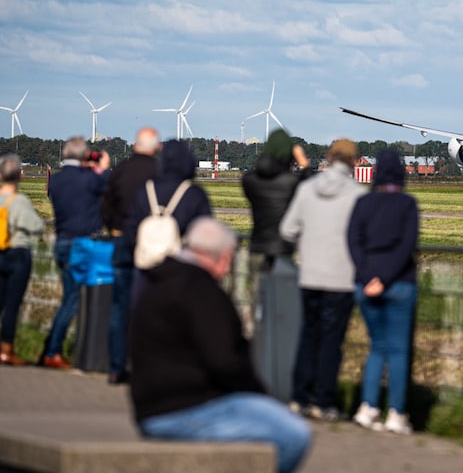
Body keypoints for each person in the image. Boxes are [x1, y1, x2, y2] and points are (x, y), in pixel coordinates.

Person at [129, 217, 310, 473]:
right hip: (188, 406)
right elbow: (224, 360)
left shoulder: (158, 285)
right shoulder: (201, 291)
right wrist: (256, 392)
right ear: (224, 257)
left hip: (151, 406)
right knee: (293, 434)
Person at [279, 138, 366, 420]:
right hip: (341, 279)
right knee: (331, 341)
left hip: (310, 275)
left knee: (308, 336)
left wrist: (307, 244)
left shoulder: (306, 189)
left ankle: (299, 397)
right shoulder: (357, 194)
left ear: (328, 158)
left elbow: (287, 229)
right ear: (354, 162)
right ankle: (323, 401)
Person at [348, 149, 420, 435]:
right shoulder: (407, 204)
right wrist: (386, 278)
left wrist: (369, 277)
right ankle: (396, 413)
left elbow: (353, 242)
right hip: (400, 283)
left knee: (377, 346)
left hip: (365, 285)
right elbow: (407, 245)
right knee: (399, 351)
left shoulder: (363, 203)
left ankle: (368, 407)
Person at [41, 137, 110, 369]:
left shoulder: (56, 181)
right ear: (84, 156)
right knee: (75, 301)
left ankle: (55, 348)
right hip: (82, 245)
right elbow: (108, 184)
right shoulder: (90, 179)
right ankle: (53, 352)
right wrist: (102, 167)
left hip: (62, 242)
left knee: (70, 297)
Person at [100, 127, 160, 385]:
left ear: (135, 145)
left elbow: (105, 203)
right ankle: (147, 366)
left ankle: (116, 366)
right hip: (150, 244)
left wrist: (114, 227)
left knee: (119, 306)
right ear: (156, 147)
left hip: (121, 239)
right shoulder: (159, 171)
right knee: (150, 305)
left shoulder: (121, 170)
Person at [123, 139, 212, 295]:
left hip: (147, 270)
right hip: (182, 272)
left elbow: (130, 228)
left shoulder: (145, 190)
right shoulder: (194, 195)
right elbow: (205, 235)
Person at [0, 154, 44, 366]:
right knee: (12, 304)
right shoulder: (19, 201)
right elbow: (36, 226)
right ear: (20, 175)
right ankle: (6, 349)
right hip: (17, 253)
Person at [241, 129, 311, 301]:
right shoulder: (292, 182)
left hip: (257, 247)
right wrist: (303, 163)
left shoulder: (249, 180)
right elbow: (313, 184)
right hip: (283, 249)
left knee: (257, 299)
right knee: (281, 303)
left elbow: (254, 173)